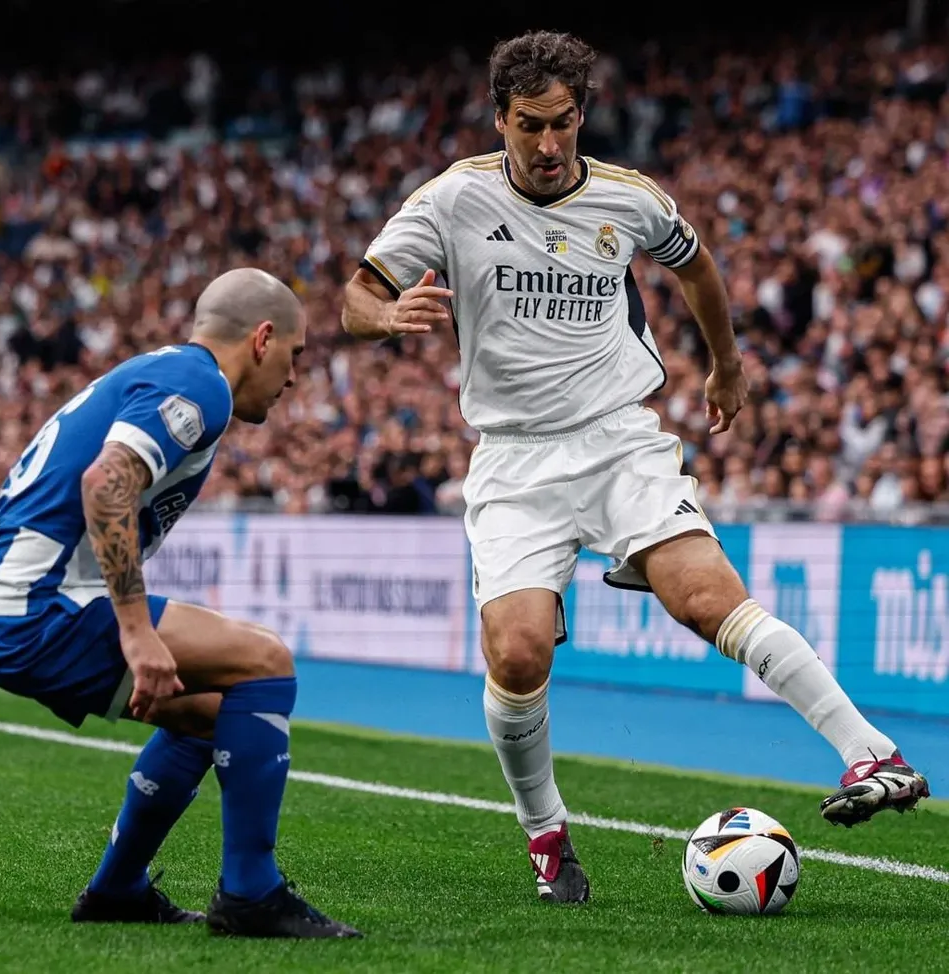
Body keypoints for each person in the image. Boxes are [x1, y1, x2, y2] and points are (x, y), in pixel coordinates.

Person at [341, 30, 929, 905]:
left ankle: (872, 754)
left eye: (564, 123)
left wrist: (726, 365)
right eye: (531, 125)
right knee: (517, 654)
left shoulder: (630, 198)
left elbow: (697, 267)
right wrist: (385, 318)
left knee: (707, 597)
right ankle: (546, 832)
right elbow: (356, 297)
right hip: (515, 460)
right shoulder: (452, 198)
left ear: (583, 115)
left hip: (619, 439)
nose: (549, 144)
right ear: (500, 119)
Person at [0, 268, 360, 939]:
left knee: (211, 714)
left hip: (6, 607)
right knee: (265, 663)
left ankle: (117, 889)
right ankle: (252, 894)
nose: (294, 377)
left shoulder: (168, 372)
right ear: (262, 340)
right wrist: (138, 631)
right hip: (39, 605)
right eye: (294, 355)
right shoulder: (200, 384)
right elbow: (106, 482)